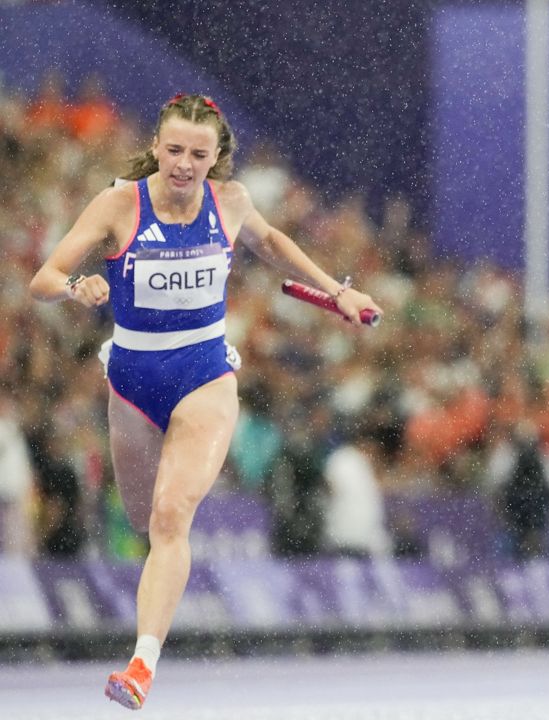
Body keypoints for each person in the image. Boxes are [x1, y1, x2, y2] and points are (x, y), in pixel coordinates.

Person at [28, 93, 382, 709]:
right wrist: (74, 288)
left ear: (217, 157)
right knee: (140, 518)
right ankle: (147, 616)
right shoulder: (118, 204)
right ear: (156, 148)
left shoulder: (233, 201)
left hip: (205, 375)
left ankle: (141, 665)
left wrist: (337, 292)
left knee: (170, 519)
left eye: (199, 153)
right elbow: (42, 279)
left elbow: (273, 245)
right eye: (173, 150)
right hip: (132, 382)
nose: (184, 165)